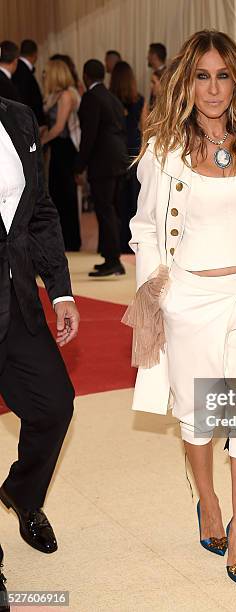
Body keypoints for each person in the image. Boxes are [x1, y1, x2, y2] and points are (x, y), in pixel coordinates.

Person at [126, 29, 236, 587]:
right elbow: (145, 226)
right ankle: (208, 501)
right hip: (191, 297)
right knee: (198, 418)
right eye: (203, 75)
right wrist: (161, 290)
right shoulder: (161, 151)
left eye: (224, 74)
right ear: (187, 81)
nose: (214, 87)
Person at [0, 96, 79, 586]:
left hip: (18, 293)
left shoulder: (19, 116)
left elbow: (41, 210)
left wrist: (61, 290)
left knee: (54, 405)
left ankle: (23, 496)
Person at [74, 59, 128, 277]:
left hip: (103, 162)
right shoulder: (111, 97)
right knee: (111, 210)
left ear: (86, 76)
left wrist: (79, 166)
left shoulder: (90, 97)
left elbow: (89, 135)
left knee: (105, 211)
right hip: (118, 159)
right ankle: (110, 257)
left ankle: (113, 260)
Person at [41, 59, 81, 251]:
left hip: (65, 149)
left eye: (46, 73)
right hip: (58, 148)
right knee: (57, 194)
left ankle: (72, 241)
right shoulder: (54, 96)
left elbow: (58, 128)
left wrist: (40, 141)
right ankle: (63, 240)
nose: (44, 76)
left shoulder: (66, 95)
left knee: (66, 195)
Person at [109, 60, 145, 252]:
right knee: (134, 200)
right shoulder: (139, 99)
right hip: (134, 149)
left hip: (116, 150)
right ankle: (133, 244)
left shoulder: (110, 99)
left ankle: (120, 244)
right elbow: (143, 126)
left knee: (117, 201)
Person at [11, 39, 45, 125]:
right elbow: (27, 99)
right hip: (26, 122)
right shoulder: (24, 71)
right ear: (35, 54)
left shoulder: (17, 68)